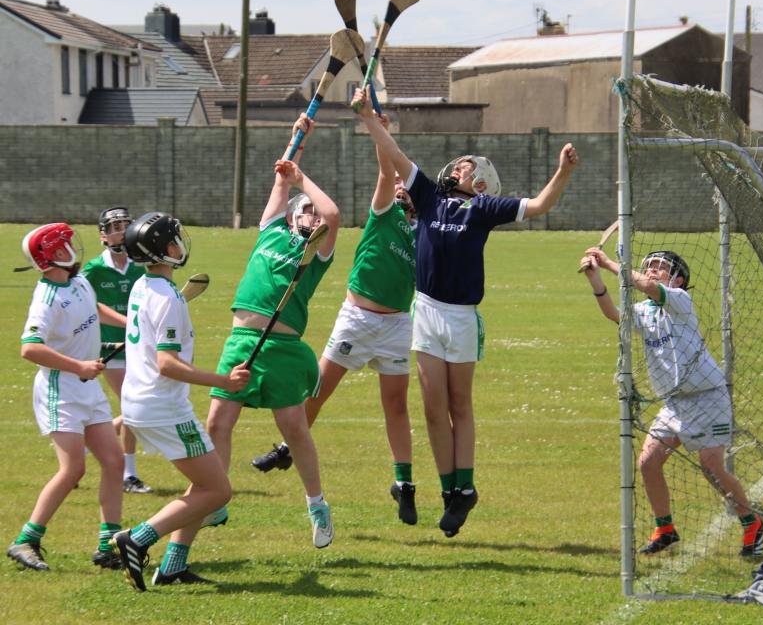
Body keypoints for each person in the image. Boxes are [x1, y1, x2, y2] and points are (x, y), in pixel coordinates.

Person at [351, 87, 579, 537]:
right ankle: (450, 492)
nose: (457, 165)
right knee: (434, 409)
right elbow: (393, 154)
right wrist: (366, 117)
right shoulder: (429, 198)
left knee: (460, 405)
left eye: (466, 166)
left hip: (461, 317)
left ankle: (467, 488)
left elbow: (538, 206)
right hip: (428, 312)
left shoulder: (484, 208)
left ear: (481, 183)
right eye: (458, 164)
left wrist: (562, 172)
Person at [252, 110, 419, 526]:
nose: (400, 186)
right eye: (398, 184)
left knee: (395, 406)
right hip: (357, 318)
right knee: (319, 389)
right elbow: (386, 175)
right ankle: (288, 448)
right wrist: (380, 130)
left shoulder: (427, 231)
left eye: (407, 185)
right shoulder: (385, 212)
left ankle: (405, 484)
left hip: (398, 324)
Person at [579, 247, 763, 557]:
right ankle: (665, 528)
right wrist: (595, 279)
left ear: (678, 281)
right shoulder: (645, 310)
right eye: (648, 265)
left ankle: (752, 522)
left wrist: (612, 265)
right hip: (676, 403)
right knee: (648, 462)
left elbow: (648, 286)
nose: (652, 270)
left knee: (711, 467)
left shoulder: (679, 300)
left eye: (661, 267)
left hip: (707, 396)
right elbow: (614, 314)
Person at [206, 113, 340, 549]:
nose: (310, 217)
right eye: (304, 214)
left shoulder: (315, 255)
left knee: (294, 430)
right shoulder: (269, 233)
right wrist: (297, 140)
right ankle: (216, 498)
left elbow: (333, 213)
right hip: (241, 341)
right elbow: (280, 179)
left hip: (282, 348)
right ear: (291, 218)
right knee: (217, 422)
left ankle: (317, 504)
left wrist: (304, 179)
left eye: (312, 216)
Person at [110, 212, 249, 591]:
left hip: (140, 403)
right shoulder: (168, 298)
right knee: (218, 492)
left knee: (203, 484)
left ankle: (172, 566)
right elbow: (167, 364)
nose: (179, 244)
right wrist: (224, 380)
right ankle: (137, 538)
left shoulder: (142, 286)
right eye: (174, 240)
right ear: (163, 250)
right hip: (164, 407)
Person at [8, 223, 127, 572]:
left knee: (114, 461)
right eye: (61, 248)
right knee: (73, 468)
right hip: (60, 389)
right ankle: (26, 540)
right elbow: (29, 349)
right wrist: (78, 365)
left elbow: (96, 309)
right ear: (48, 258)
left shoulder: (78, 281)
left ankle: (107, 546)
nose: (69, 249)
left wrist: (133, 322)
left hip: (86, 387)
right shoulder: (46, 299)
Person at [81, 206, 151, 494]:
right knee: (133, 408)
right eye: (114, 226)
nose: (121, 230)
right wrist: (128, 322)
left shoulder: (142, 265)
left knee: (137, 408)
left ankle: (87, 444)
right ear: (103, 236)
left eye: (126, 224)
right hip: (110, 350)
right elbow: (86, 304)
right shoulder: (94, 269)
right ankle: (128, 475)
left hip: (139, 348)